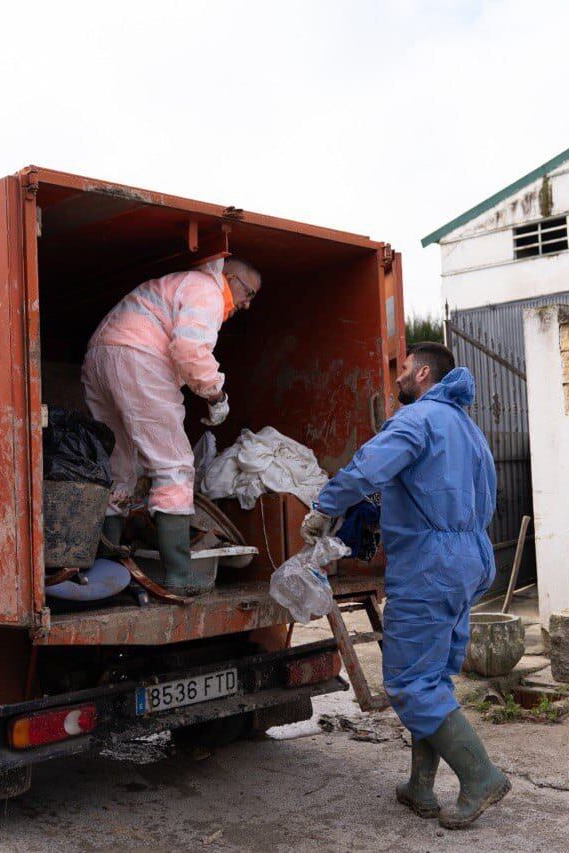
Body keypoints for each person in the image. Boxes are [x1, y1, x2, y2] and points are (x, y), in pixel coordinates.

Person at [301, 342, 509, 829]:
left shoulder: (416, 421)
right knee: (431, 678)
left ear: (420, 372)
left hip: (429, 567)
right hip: (467, 562)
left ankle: (481, 777)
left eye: (401, 370)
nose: (395, 379)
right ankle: (420, 787)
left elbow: (367, 468)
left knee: (412, 683)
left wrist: (325, 505)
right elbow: (481, 498)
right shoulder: (468, 429)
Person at [81, 257, 261, 594]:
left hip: (100, 357)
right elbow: (191, 350)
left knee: (118, 465)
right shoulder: (206, 289)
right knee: (174, 467)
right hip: (137, 356)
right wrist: (216, 395)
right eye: (248, 293)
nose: (247, 304)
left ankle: (107, 564)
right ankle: (179, 575)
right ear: (231, 278)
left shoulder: (176, 284)